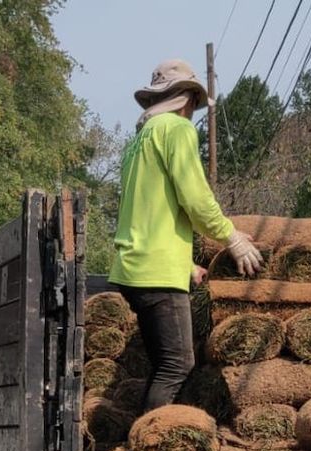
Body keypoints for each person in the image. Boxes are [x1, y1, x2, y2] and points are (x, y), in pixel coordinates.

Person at [107, 58, 262, 413]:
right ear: (187, 99)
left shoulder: (139, 140)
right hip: (154, 271)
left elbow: (151, 211)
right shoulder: (176, 130)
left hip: (138, 265)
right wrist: (231, 237)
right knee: (178, 364)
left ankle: (147, 445)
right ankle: (150, 450)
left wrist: (186, 263)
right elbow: (194, 198)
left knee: (165, 364)